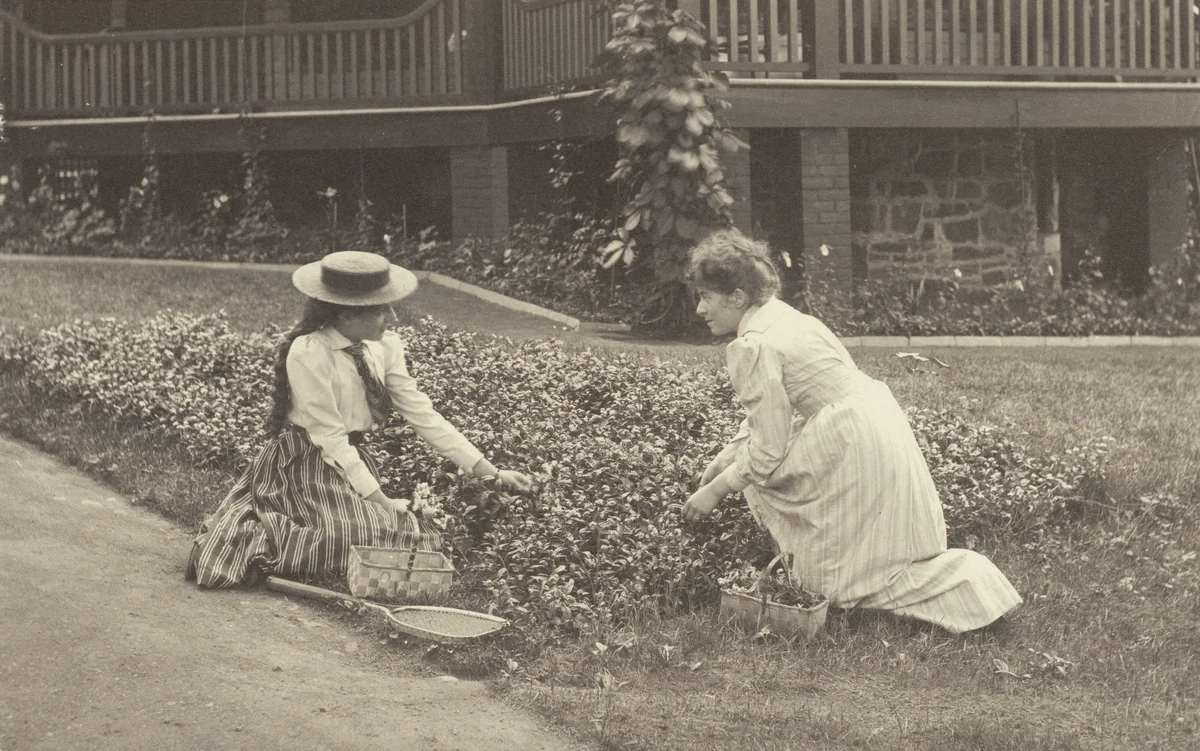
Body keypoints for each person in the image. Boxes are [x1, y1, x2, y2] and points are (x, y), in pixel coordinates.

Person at [680, 229, 1021, 634]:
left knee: (841, 571)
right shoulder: (784, 316)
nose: (700, 309)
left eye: (706, 297)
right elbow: (773, 410)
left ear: (737, 297)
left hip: (848, 442)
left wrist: (716, 490)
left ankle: (967, 588)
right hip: (874, 422)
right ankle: (974, 588)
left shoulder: (754, 345)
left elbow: (768, 449)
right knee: (879, 557)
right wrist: (728, 453)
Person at [187, 250, 533, 587]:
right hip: (304, 462)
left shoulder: (386, 347)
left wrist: (493, 472)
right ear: (347, 315)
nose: (394, 318)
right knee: (361, 533)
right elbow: (330, 437)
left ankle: (345, 526)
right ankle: (263, 540)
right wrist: (382, 501)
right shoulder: (310, 352)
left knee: (407, 532)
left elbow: (423, 414)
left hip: (350, 461)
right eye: (383, 310)